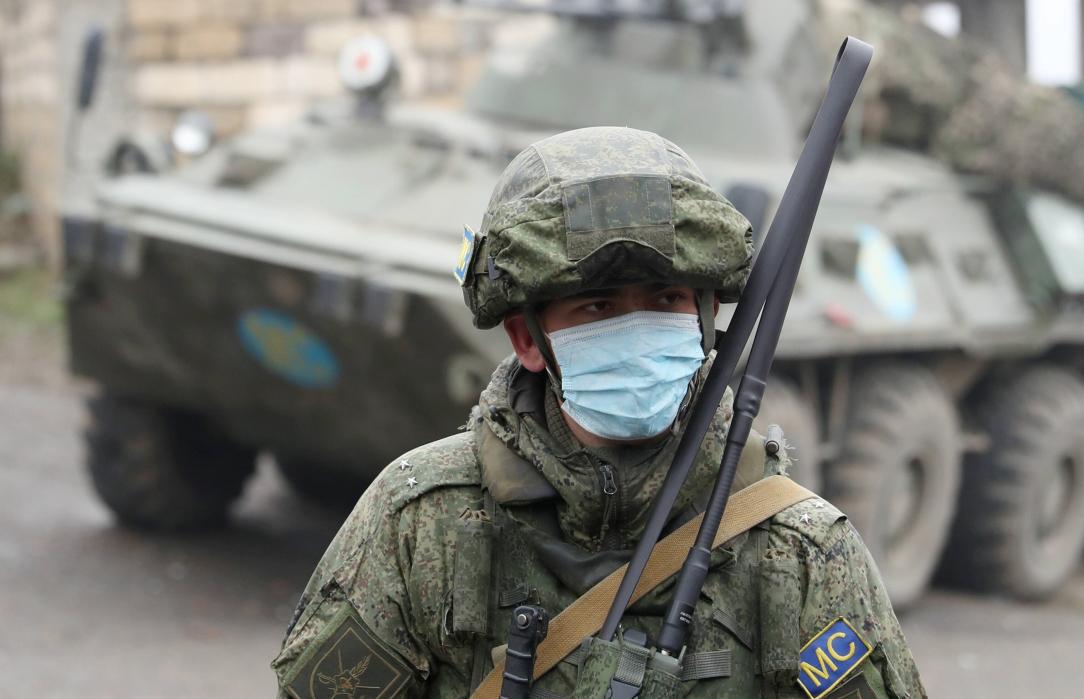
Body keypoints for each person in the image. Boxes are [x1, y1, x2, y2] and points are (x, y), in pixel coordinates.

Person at [271, 126, 926, 699]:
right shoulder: (420, 522)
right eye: (597, 306)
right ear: (528, 340)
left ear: (705, 320)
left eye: (666, 298)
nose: (636, 328)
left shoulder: (799, 549)